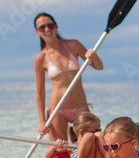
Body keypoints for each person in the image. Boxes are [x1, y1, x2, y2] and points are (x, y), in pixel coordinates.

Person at [34, 12, 103, 141]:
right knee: (61, 150)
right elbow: (40, 93)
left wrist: (94, 57)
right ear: (37, 32)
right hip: (57, 111)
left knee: (90, 146)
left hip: (81, 107)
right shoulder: (41, 58)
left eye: (50, 25)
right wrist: (42, 121)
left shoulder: (73, 45)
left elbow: (99, 67)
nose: (47, 29)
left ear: (56, 26)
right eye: (42, 27)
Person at [45, 112, 112, 158]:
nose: (97, 133)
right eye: (96, 131)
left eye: (99, 130)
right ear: (82, 132)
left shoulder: (99, 142)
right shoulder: (71, 146)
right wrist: (55, 146)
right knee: (89, 136)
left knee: (100, 135)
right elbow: (49, 155)